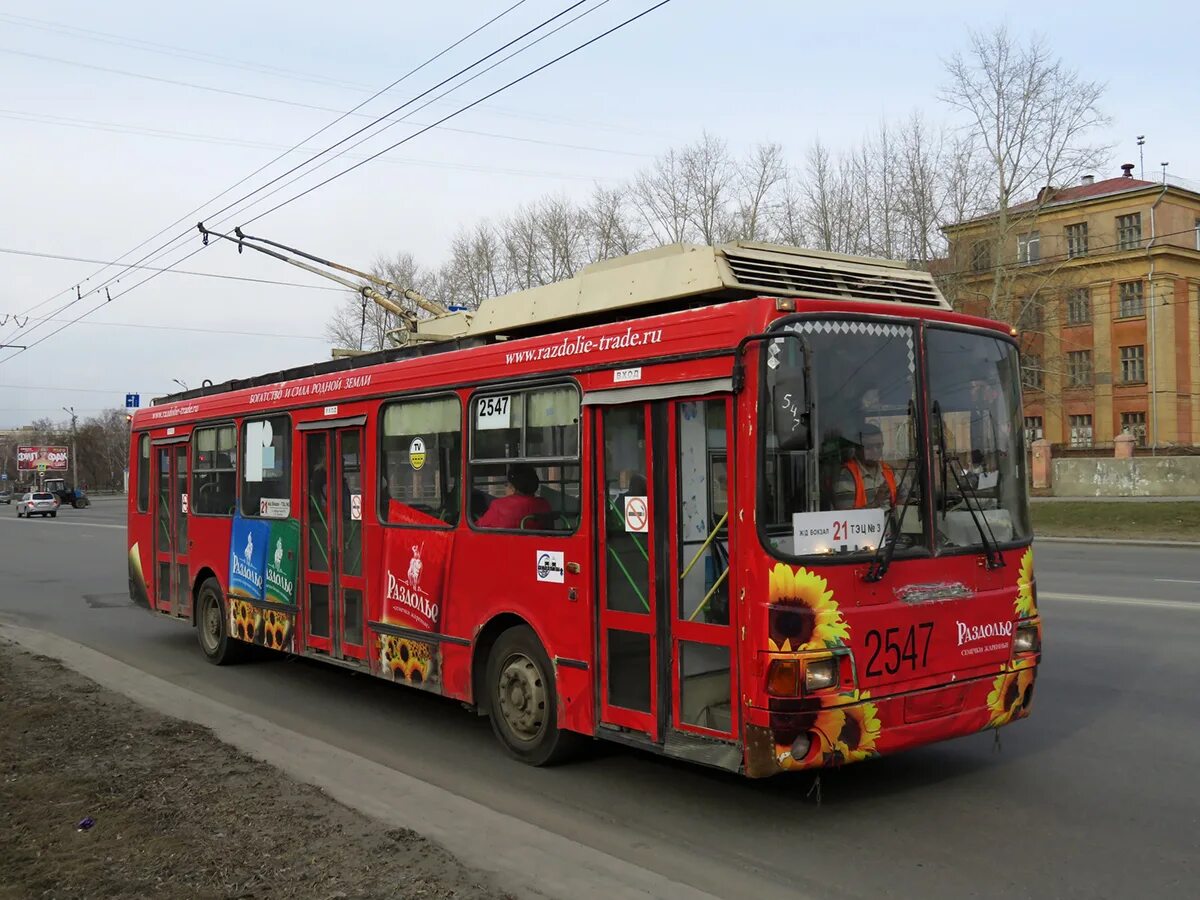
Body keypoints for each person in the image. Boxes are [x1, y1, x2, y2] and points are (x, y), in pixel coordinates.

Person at [834, 424, 897, 510]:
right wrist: (876, 503)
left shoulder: (889, 471)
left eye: (878, 446)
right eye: (868, 447)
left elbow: (904, 502)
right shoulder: (845, 476)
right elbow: (846, 519)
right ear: (857, 448)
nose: (875, 451)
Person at [476, 464, 551, 530]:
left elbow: (479, 527)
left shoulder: (499, 506)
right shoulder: (544, 504)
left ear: (512, 486)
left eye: (508, 484)